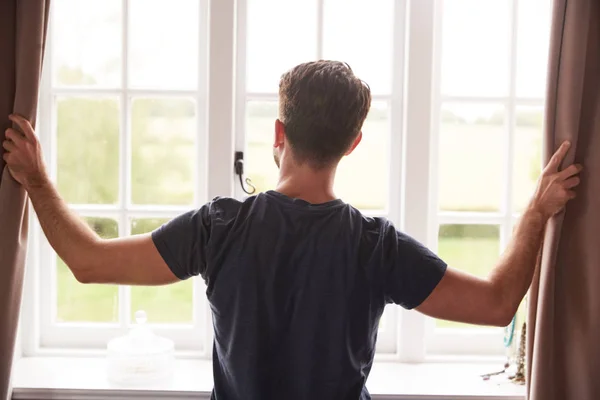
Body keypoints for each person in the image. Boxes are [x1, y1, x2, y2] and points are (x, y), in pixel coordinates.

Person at [2, 60, 582, 400]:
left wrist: (34, 177)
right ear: (353, 144)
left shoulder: (220, 227)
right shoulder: (373, 246)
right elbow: (498, 303)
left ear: (278, 133)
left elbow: (89, 262)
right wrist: (535, 213)